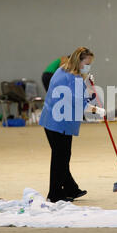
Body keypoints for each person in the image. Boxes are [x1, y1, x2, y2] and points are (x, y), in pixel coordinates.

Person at [38, 47, 105, 202]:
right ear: (79, 61)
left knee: (61, 156)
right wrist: (99, 111)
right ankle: (54, 194)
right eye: (87, 63)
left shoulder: (62, 70)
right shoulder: (74, 79)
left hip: (50, 120)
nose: (88, 67)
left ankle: (71, 189)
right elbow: (81, 105)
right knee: (61, 158)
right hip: (60, 123)